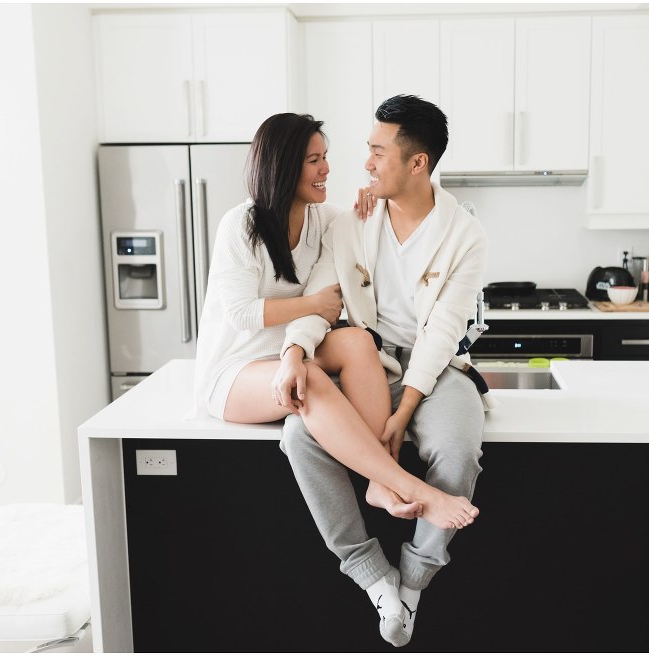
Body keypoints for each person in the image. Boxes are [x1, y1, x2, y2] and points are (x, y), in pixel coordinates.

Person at [192, 111, 479, 564]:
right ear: (283, 166)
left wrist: (375, 201)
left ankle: (379, 484)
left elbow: (359, 235)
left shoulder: (326, 220)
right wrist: (308, 315)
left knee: (357, 343)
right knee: (313, 380)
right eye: (313, 160)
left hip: (288, 356)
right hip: (235, 371)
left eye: (325, 157)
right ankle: (393, 483)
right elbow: (245, 313)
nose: (328, 168)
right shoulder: (241, 226)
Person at [277, 95, 490, 648]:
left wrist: (404, 410)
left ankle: (414, 581)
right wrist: (295, 352)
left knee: (457, 450)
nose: (366, 163)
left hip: (437, 370)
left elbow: (442, 332)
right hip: (369, 362)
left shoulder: (465, 234)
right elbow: (320, 301)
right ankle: (373, 578)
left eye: (378, 151)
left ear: (417, 163)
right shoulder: (352, 222)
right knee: (299, 435)